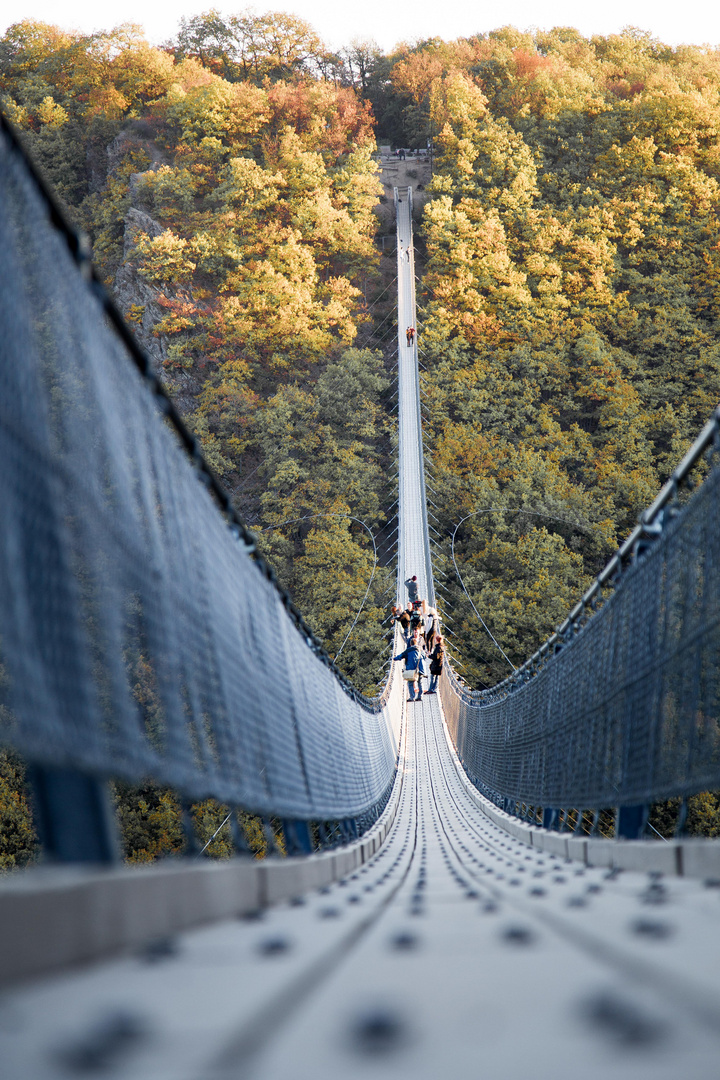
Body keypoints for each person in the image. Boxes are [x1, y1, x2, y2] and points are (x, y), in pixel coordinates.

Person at [394, 632, 424, 701]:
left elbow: (400, 656)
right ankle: (420, 696)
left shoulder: (407, 651)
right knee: (420, 682)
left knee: (410, 683)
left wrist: (394, 658)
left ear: (410, 644)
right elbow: (424, 657)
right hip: (419, 669)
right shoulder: (420, 650)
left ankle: (412, 697)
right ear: (416, 643)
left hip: (410, 670)